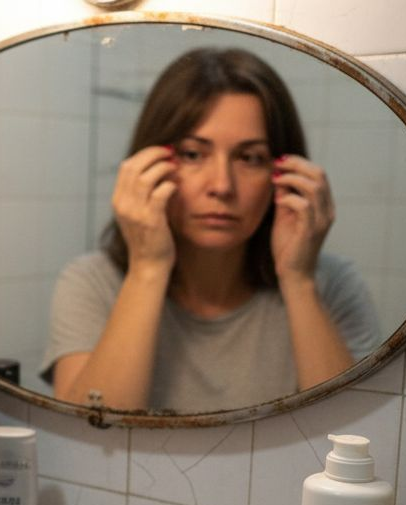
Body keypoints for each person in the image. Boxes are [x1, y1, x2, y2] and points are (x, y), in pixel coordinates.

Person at [41, 47, 380, 412]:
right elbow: (89, 434)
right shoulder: (93, 283)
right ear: (146, 166)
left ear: (282, 174)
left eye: (250, 158)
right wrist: (147, 269)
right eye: (192, 154)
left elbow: (354, 431)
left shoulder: (333, 285)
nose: (221, 185)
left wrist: (298, 280)